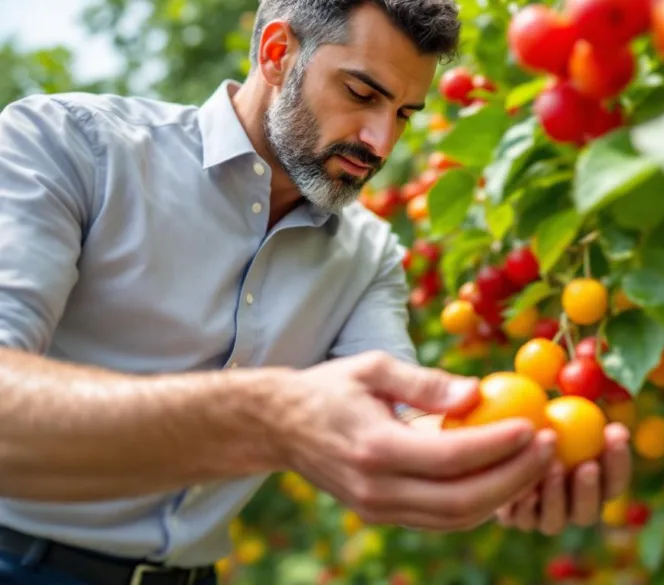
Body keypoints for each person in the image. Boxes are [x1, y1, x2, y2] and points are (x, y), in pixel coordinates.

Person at [0, 0, 632, 583]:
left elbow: (401, 423)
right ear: (277, 54)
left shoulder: (370, 252)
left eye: (405, 115)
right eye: (362, 93)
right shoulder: (69, 146)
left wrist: (496, 458)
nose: (381, 142)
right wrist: (272, 417)